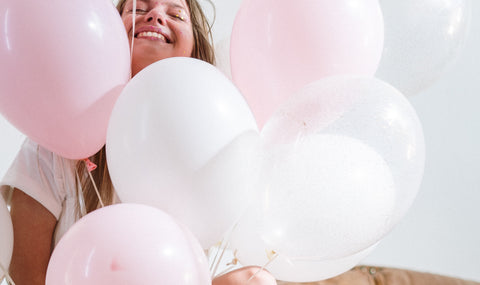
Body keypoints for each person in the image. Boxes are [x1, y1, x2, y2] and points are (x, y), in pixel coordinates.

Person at [0, 0, 277, 284]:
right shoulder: (60, 138)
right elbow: (27, 270)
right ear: (109, 32)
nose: (156, 16)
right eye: (139, 9)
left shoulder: (218, 136)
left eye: (176, 14)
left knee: (257, 280)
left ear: (195, 47)